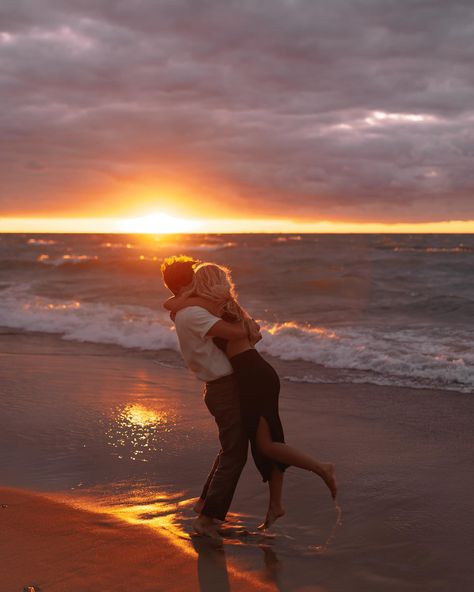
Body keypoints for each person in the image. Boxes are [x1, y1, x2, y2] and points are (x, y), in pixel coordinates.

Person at [164, 262, 337, 530]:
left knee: (261, 444)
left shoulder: (210, 308)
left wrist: (241, 322)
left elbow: (245, 333)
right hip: (240, 380)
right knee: (254, 446)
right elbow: (244, 333)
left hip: (252, 377)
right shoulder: (202, 310)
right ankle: (251, 509)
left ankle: (313, 474)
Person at [161, 256, 261, 541]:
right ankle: (207, 522)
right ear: (188, 282)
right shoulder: (193, 313)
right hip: (223, 387)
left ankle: (206, 508)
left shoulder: (187, 309)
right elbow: (235, 332)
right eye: (195, 276)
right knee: (235, 453)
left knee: (229, 450)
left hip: (219, 386)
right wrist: (249, 326)